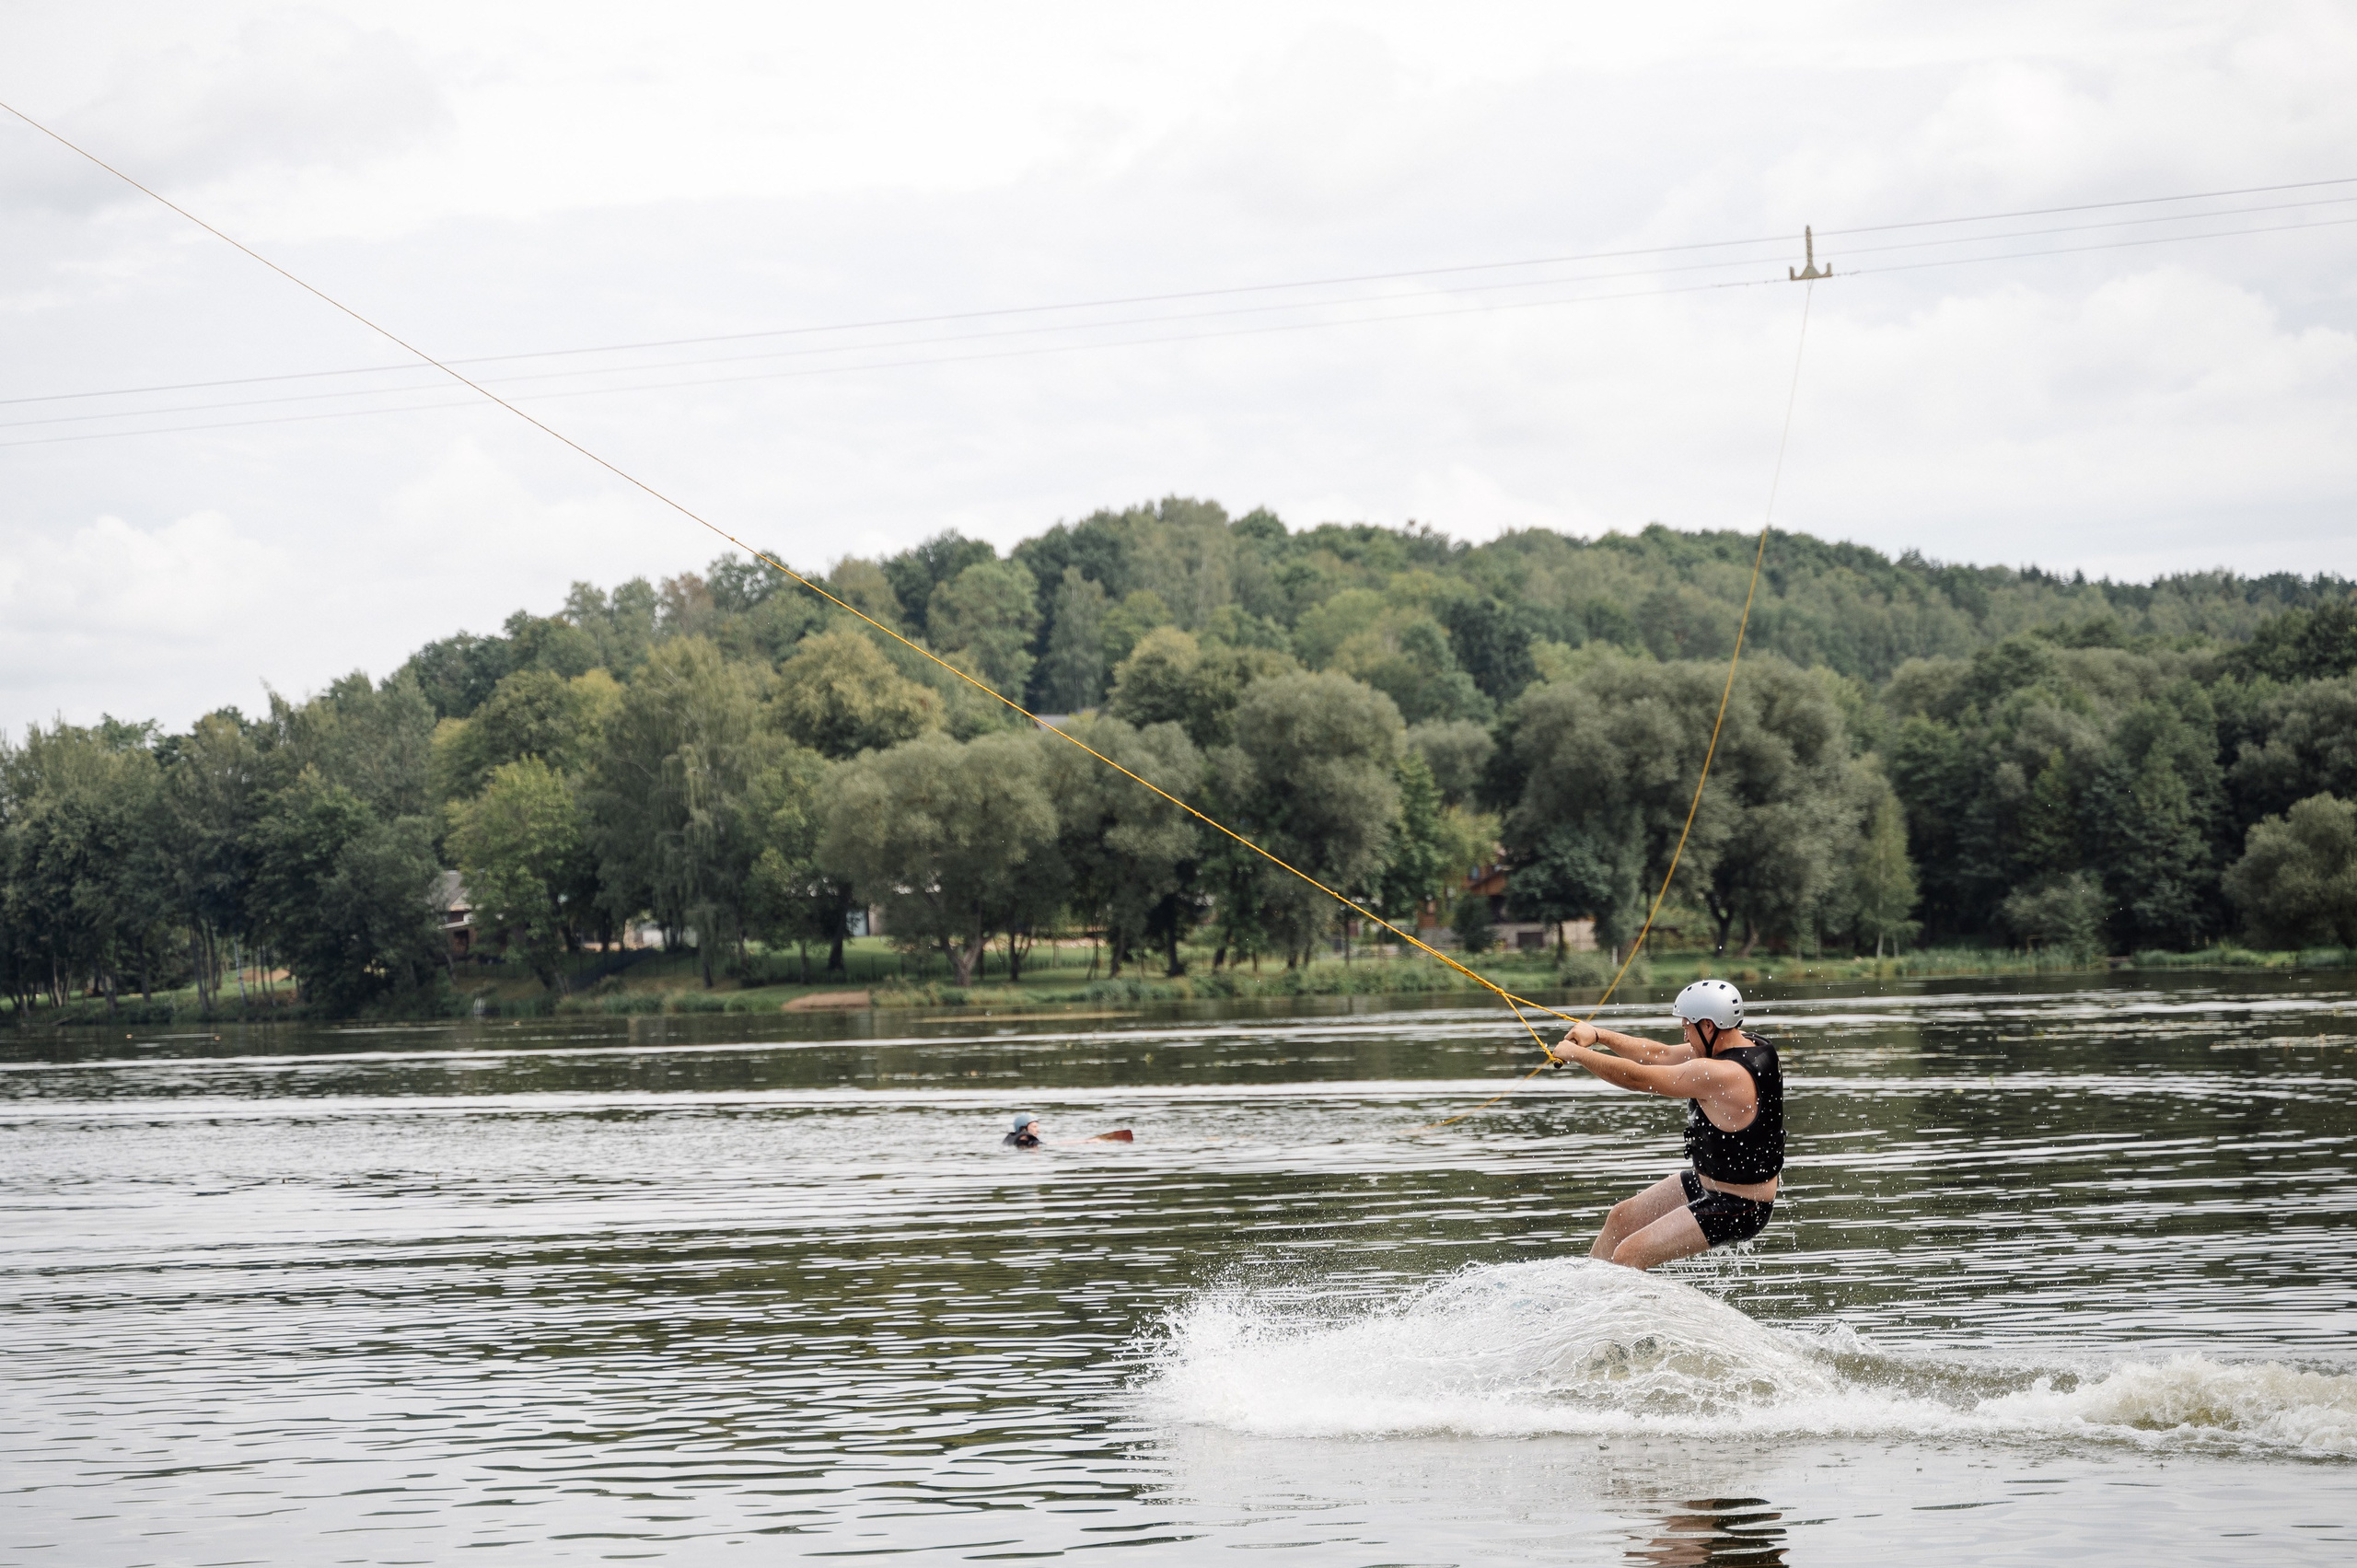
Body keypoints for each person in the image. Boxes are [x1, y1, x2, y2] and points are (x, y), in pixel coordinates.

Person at [1546, 979, 1782, 1270]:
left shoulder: (1722, 1073)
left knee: (1628, 1255)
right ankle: (1583, 1294)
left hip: (1740, 1206)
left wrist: (1580, 1055)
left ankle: (1627, 1314)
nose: (1684, 1035)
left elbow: (1638, 1078)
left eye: (1687, 1026)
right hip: (1707, 1183)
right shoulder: (1743, 1044)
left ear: (1708, 1026)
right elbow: (1660, 1055)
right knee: (1621, 1220)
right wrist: (1597, 1035)